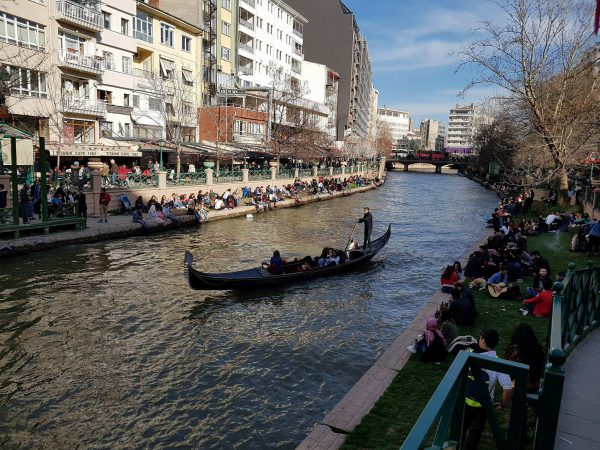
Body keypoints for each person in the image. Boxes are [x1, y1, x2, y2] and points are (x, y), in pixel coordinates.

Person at [462, 328, 513, 450]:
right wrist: (503, 404)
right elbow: (508, 389)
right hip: (483, 406)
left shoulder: (469, 354)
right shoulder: (498, 363)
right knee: (474, 436)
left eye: (480, 338)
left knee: (459, 430)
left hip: (464, 401)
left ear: (483, 340)